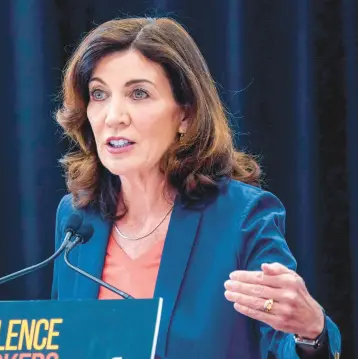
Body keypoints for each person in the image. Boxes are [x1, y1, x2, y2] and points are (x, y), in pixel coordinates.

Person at [50, 17, 341, 358]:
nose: (113, 115)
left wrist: (310, 332)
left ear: (185, 115)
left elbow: (284, 344)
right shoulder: (77, 217)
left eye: (138, 93)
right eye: (99, 94)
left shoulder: (241, 217)